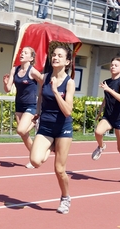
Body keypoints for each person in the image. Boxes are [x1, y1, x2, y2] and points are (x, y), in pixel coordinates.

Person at [29, 45, 75, 214]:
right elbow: (40, 97)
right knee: (35, 161)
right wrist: (37, 113)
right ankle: (51, 147)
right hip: (46, 126)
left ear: (67, 61)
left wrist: (56, 91)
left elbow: (68, 111)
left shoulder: (70, 83)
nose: (55, 58)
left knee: (60, 170)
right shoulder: (46, 77)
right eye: (54, 55)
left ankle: (65, 197)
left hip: (63, 128)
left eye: (60, 56)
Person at [91, 57, 120, 184]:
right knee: (98, 132)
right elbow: (106, 98)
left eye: (116, 65)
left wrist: (109, 89)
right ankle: (101, 146)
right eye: (112, 65)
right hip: (108, 116)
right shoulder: (106, 81)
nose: (112, 67)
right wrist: (100, 110)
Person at [3, 46, 44, 169]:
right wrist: (5, 83)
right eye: (22, 52)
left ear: (31, 58)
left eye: (25, 53)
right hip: (19, 105)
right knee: (24, 135)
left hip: (31, 105)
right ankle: (34, 159)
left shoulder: (32, 71)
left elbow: (44, 82)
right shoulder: (14, 70)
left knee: (21, 130)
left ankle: (35, 120)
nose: (22, 54)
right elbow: (8, 89)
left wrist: (42, 98)